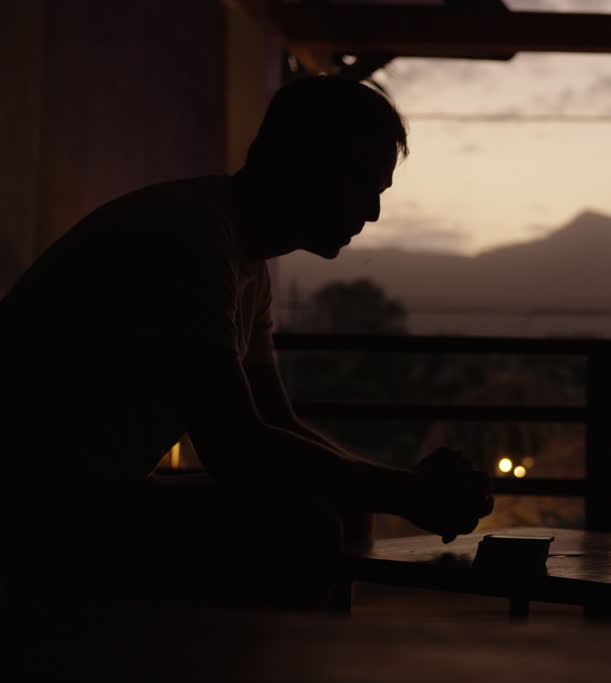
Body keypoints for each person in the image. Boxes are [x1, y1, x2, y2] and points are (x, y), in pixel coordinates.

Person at [0, 76, 492, 609]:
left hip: (64, 497)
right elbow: (236, 446)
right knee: (299, 525)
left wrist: (398, 485)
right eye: (360, 183)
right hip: (29, 505)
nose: (371, 213)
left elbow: (274, 422)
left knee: (332, 509)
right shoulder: (194, 241)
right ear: (300, 160)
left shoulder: (244, 260)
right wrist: (404, 489)